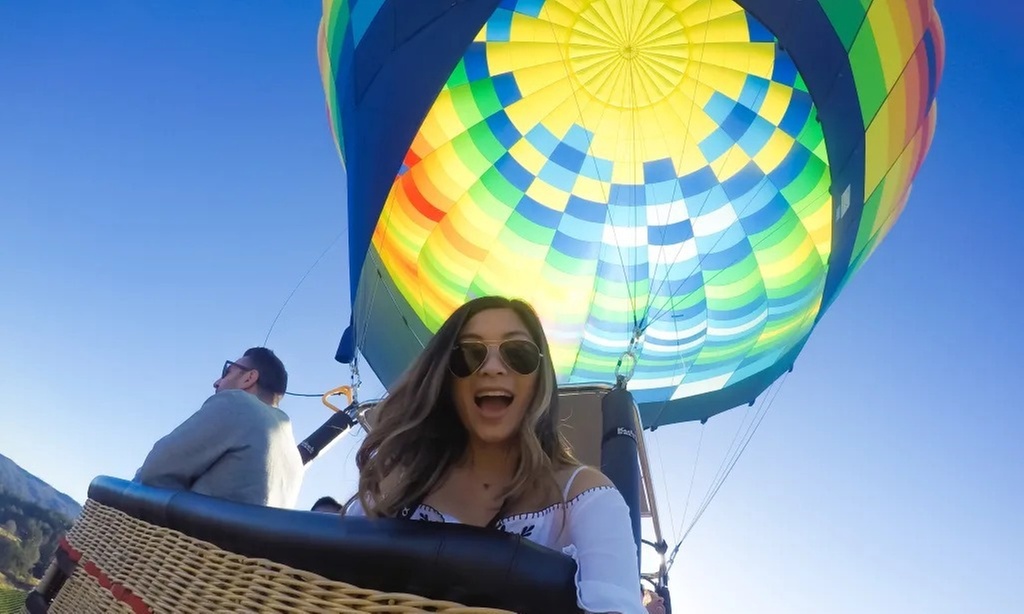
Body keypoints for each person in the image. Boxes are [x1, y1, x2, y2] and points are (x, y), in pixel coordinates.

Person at [344, 296, 645, 613]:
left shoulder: (585, 498)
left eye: (518, 354)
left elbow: (617, 605)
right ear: (445, 377)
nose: (491, 368)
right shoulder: (398, 483)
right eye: (469, 354)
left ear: (538, 380)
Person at [133, 347, 304, 509]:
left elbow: (155, 469)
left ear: (249, 378)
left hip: (179, 537)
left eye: (227, 372)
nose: (216, 382)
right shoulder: (294, 459)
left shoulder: (237, 403)